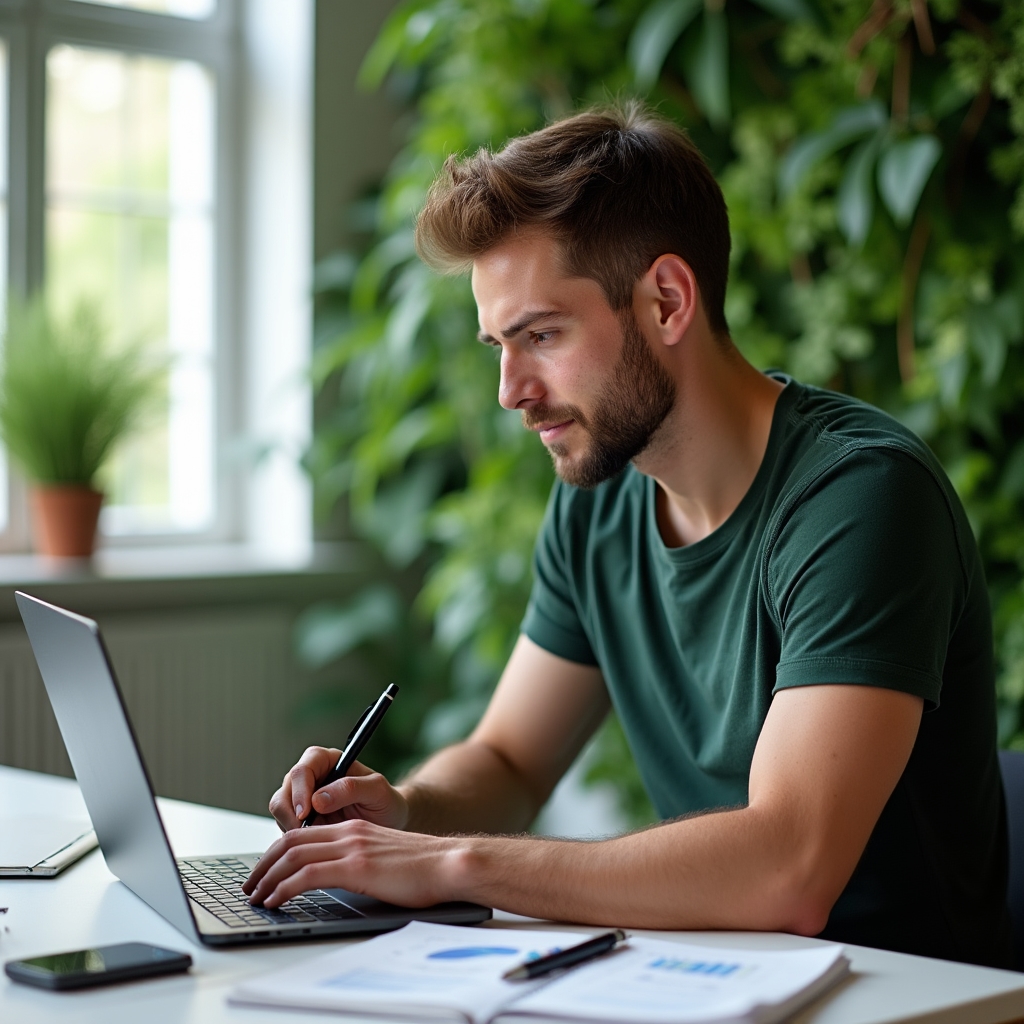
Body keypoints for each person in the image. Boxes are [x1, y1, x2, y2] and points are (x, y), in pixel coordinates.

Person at [243, 103, 1013, 968]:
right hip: (707, 978)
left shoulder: (861, 497)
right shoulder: (600, 496)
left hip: (902, 995)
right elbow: (508, 759)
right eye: (499, 343)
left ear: (667, 301)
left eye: (540, 335)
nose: (510, 391)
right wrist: (408, 813)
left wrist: (452, 861)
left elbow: (791, 869)